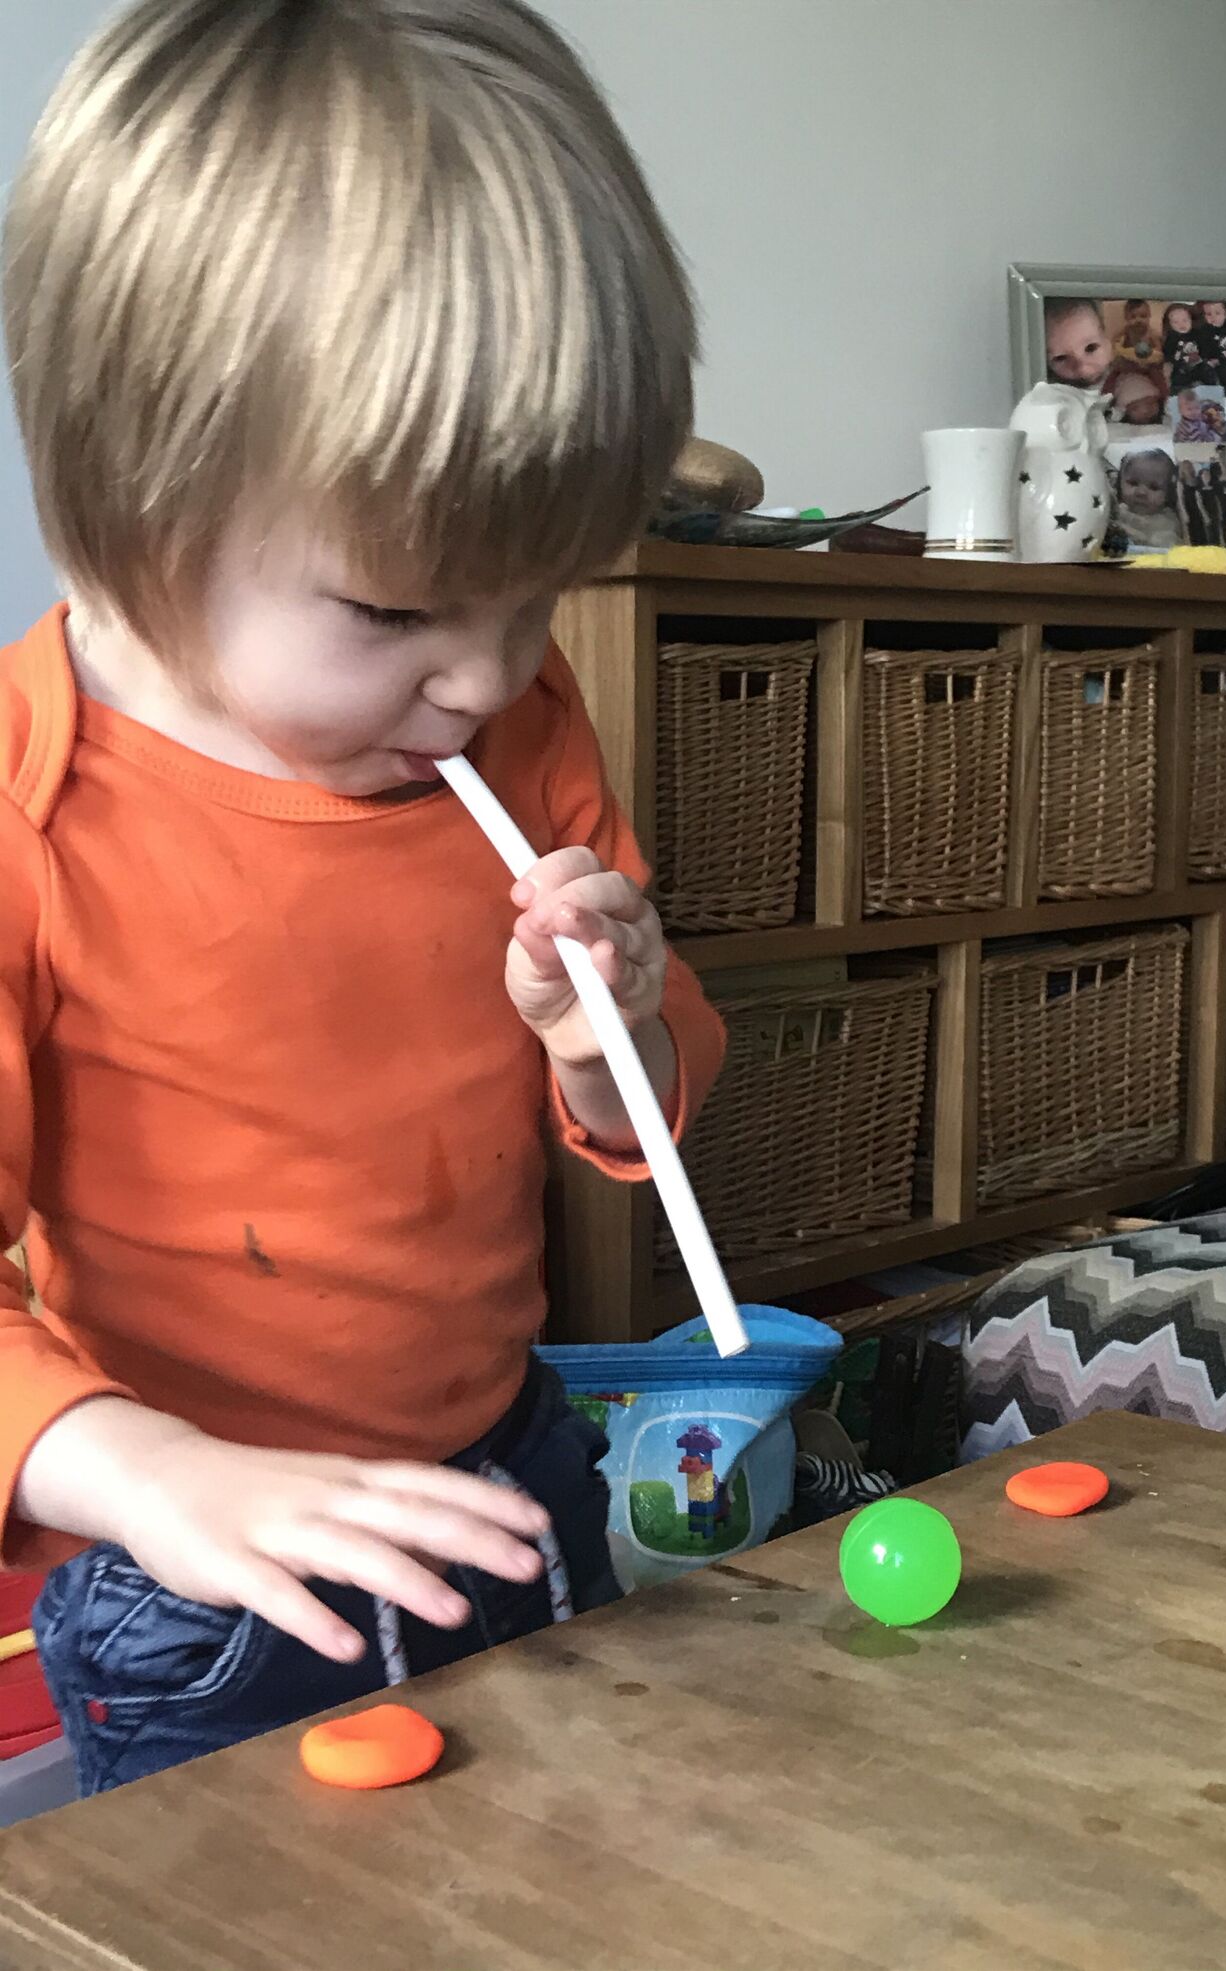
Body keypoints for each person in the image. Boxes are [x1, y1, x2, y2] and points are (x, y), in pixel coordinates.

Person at [0, 0, 727, 1797]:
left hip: (513, 1461)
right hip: (213, 1575)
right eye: (399, 615)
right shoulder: (33, 821)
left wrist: (608, 1028)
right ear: (126, 510)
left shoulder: (513, 714)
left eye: (540, 593)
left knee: (559, 1869)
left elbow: (652, 1109)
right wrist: (149, 1475)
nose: (488, 680)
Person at [1114, 449, 1183, 551]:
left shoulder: (1169, 522)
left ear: (1168, 493)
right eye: (1133, 483)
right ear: (1120, 483)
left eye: (1154, 487)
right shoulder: (1115, 512)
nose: (1141, 492)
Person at [1044, 298, 1113, 390]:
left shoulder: (1123, 377)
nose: (1082, 369)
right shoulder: (1048, 389)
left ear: (1108, 341)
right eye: (1061, 358)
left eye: (1090, 348)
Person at [1163, 303, 1215, 393]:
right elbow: (1168, 355)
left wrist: (1208, 359)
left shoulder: (1197, 334)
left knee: (1207, 372)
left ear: (1191, 320)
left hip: (1199, 365)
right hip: (1181, 369)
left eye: (1185, 320)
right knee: (1177, 380)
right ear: (1170, 324)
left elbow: (1205, 347)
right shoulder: (1171, 338)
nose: (1181, 324)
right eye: (1176, 322)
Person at [1178, 458, 1209, 547]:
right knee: (1193, 533)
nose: (1188, 469)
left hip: (1199, 508)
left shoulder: (1197, 480)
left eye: (1189, 467)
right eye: (1185, 467)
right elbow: (1180, 499)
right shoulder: (1181, 482)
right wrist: (1184, 513)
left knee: (1202, 531)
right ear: (1182, 470)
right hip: (1189, 509)